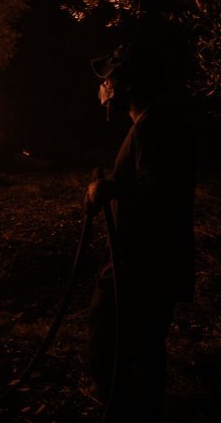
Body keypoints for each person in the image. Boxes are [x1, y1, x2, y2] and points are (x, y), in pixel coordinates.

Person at [84, 42, 195, 421]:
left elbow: (161, 192)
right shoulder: (150, 125)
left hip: (142, 265)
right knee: (138, 350)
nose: (102, 91)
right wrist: (115, 181)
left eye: (107, 82)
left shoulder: (152, 129)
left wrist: (112, 188)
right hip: (145, 262)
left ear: (124, 85)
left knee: (117, 350)